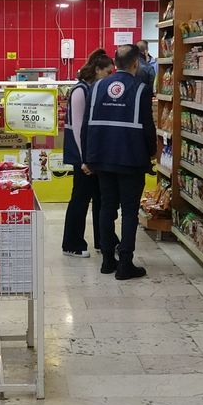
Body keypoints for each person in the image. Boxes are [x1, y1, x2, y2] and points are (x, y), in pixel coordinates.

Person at [81, 44, 157, 280]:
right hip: (131, 158)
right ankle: (125, 263)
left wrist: (87, 157)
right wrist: (152, 152)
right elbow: (147, 126)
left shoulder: (96, 87)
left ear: (115, 63)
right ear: (136, 63)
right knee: (130, 212)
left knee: (106, 207)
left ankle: (107, 260)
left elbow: (86, 124)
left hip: (102, 158)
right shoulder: (141, 89)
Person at [61, 51, 114, 258]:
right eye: (108, 72)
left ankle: (104, 240)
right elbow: (78, 128)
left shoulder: (94, 88)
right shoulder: (80, 90)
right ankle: (72, 243)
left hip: (94, 154)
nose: (110, 76)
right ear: (97, 70)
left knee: (100, 198)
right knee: (80, 198)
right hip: (83, 156)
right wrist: (84, 159)